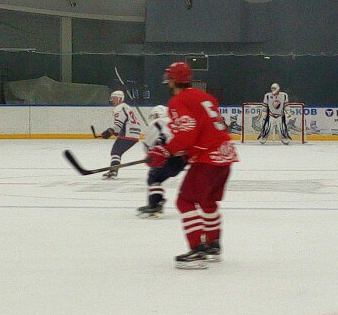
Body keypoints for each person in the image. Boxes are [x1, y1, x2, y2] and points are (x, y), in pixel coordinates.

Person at [160, 60, 236, 267]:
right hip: (225, 157)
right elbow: (204, 129)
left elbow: (187, 133)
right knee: (208, 203)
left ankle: (197, 250)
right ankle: (213, 246)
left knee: (185, 201)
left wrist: (166, 150)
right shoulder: (206, 97)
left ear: (173, 80)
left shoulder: (178, 101)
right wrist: (184, 154)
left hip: (207, 159)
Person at [100, 89, 143, 177]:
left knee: (115, 151)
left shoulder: (119, 108)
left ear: (120, 99)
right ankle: (113, 170)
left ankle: (113, 171)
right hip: (134, 133)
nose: (112, 100)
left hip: (128, 133)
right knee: (117, 151)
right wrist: (113, 132)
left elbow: (118, 125)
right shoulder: (126, 107)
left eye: (114, 98)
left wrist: (110, 131)